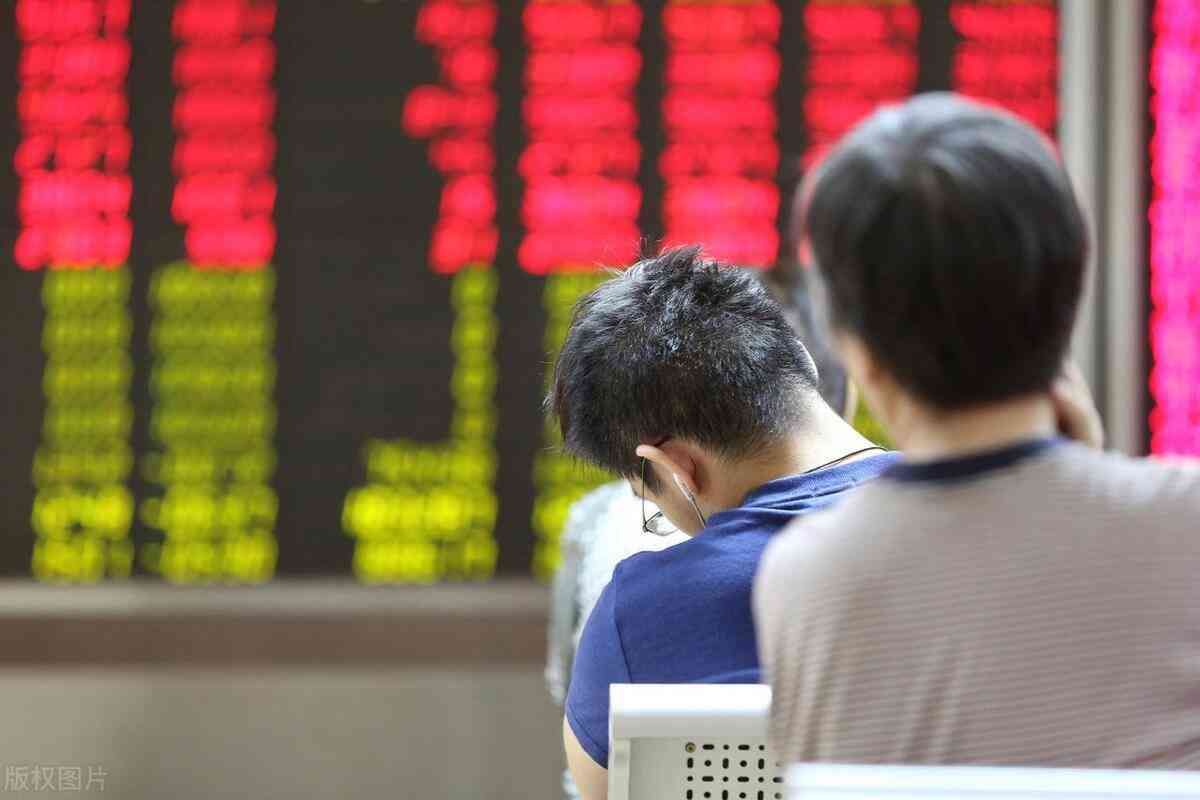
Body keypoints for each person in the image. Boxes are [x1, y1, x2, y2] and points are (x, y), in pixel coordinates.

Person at [755, 93, 1200, 769]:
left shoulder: (808, 576)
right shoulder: (1185, 520)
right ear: (1067, 296)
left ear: (853, 348)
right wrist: (1093, 477)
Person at [548, 246, 897, 799]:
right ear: (805, 365)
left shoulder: (639, 616)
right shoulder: (981, 520)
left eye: (653, 501)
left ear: (677, 468)